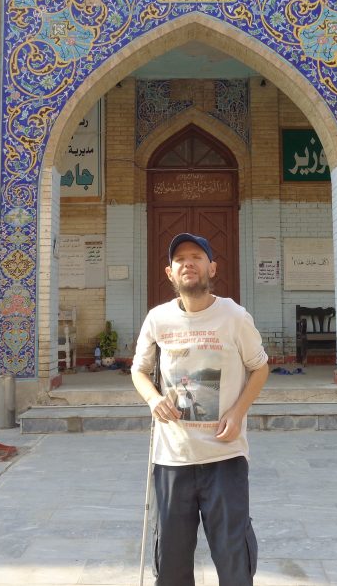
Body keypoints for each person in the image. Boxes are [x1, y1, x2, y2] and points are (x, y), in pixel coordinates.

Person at [132, 233, 270, 586]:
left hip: (224, 457)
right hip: (172, 458)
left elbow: (260, 366)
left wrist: (238, 413)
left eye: (196, 256)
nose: (188, 263)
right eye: (180, 259)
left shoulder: (234, 316)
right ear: (169, 272)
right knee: (172, 563)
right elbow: (139, 369)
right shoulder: (158, 318)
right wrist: (152, 399)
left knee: (233, 556)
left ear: (212, 267)